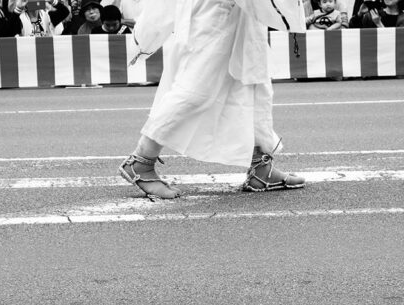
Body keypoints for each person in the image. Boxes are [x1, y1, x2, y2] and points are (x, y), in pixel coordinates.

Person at [119, 0, 306, 200]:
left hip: (244, 15)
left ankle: (260, 167)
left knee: (254, 88)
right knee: (195, 92)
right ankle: (141, 161)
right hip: (212, 15)